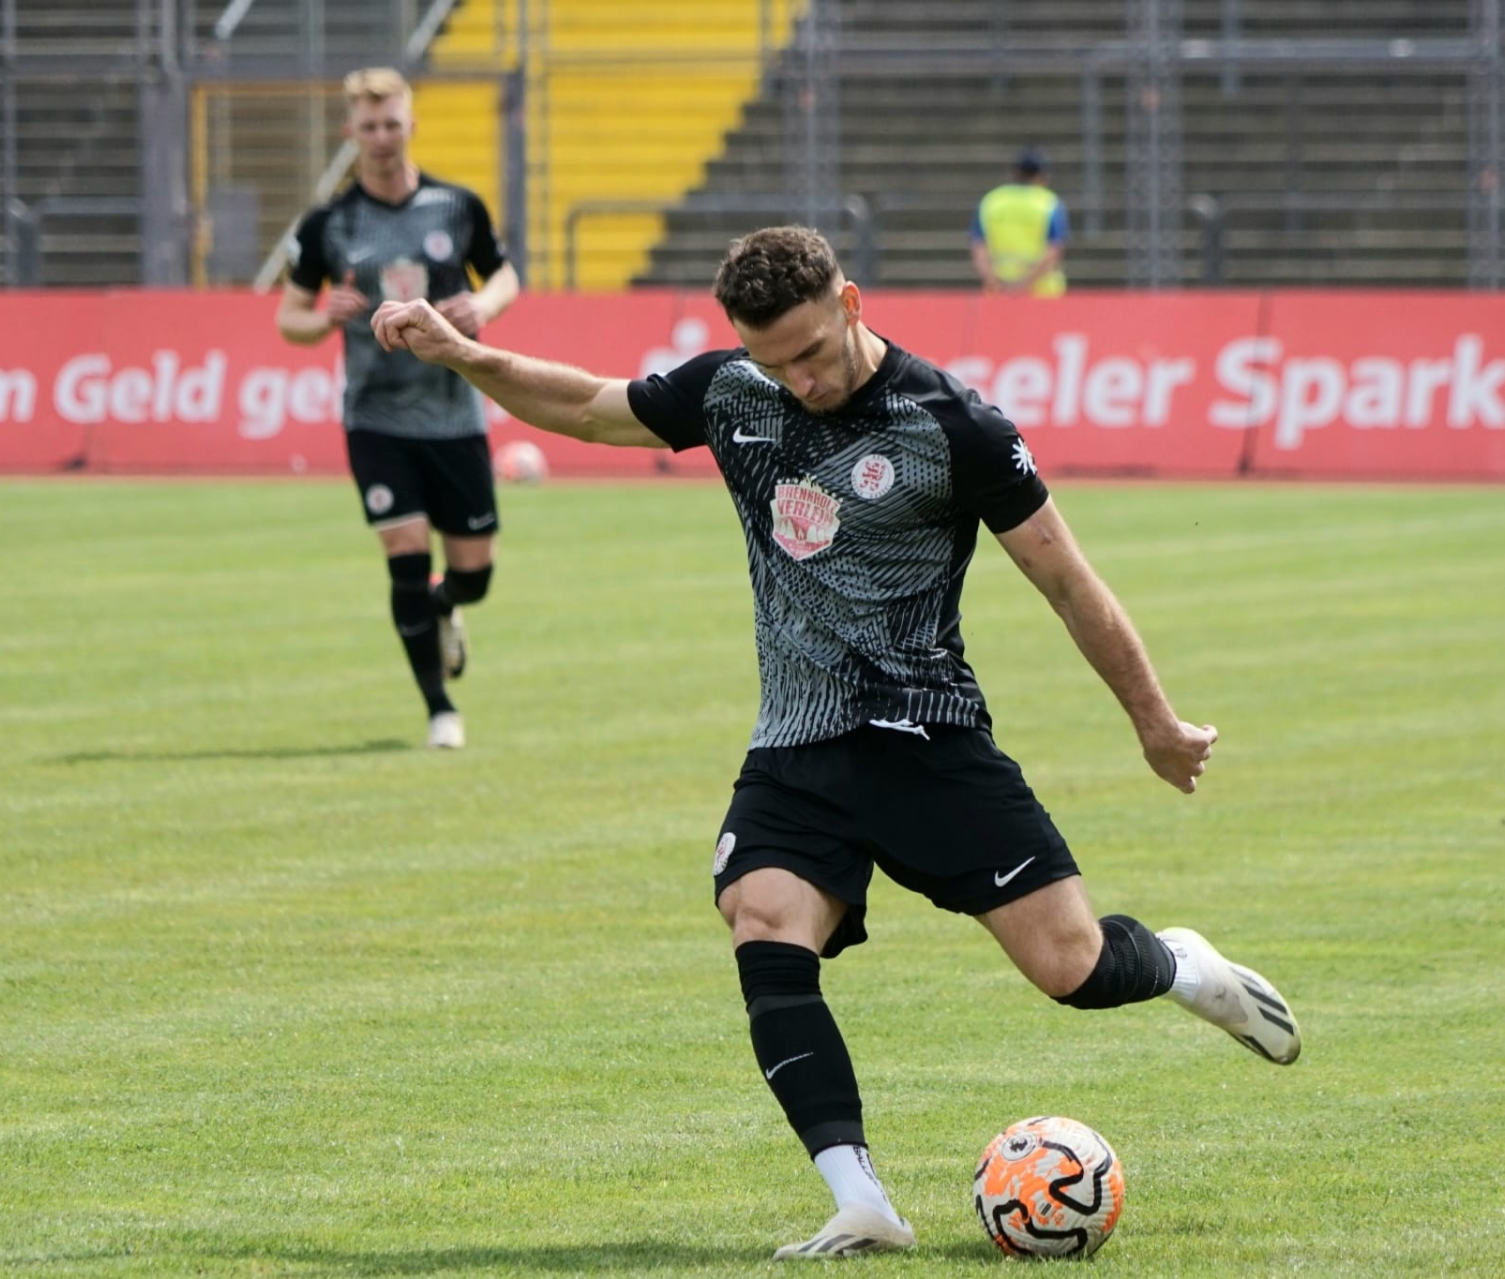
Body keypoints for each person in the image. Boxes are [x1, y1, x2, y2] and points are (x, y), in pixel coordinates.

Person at [369, 226, 1300, 1258]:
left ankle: (1181, 965)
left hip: (930, 736)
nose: (797, 379)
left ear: (851, 301)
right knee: (762, 919)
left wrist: (1156, 723)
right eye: (774, 360)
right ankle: (861, 1197)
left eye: (810, 351)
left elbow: (1069, 581)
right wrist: (463, 355)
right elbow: (591, 406)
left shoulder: (954, 425)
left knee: (1071, 967)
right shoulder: (735, 393)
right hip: (798, 742)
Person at [276, 66, 521, 750]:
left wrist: (485, 303)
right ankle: (440, 708)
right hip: (376, 416)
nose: (381, 137)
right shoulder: (330, 224)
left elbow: (505, 274)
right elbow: (287, 318)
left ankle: (446, 607)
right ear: (350, 132)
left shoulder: (456, 206)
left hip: (453, 410)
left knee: (473, 574)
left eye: (392, 123)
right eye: (369, 125)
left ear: (411, 125)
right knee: (406, 553)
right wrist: (325, 317)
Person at [969, 148, 1070, 297]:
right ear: (1041, 176)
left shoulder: (991, 201)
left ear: (1015, 173)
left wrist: (992, 281)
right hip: (1042, 293)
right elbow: (1054, 251)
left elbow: (979, 248)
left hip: (999, 291)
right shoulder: (1049, 204)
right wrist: (1024, 285)